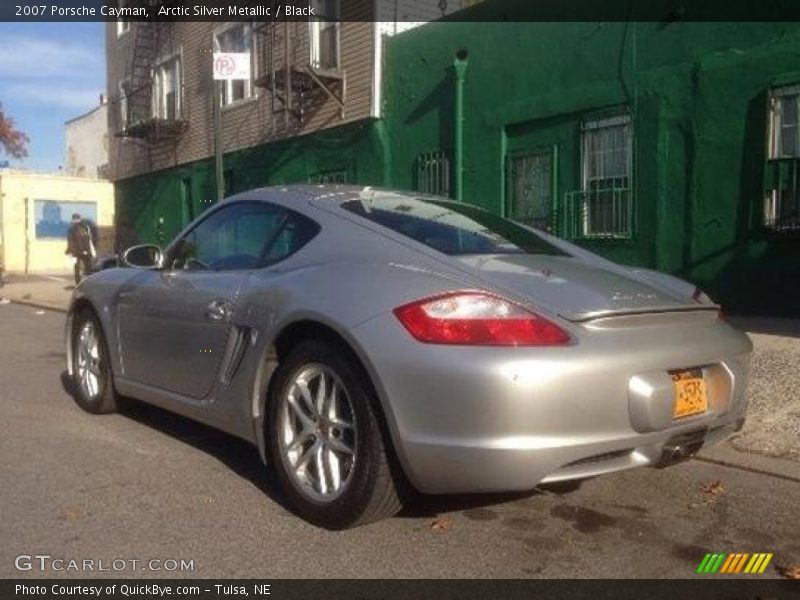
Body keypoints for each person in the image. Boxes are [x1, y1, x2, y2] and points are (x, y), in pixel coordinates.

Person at [65, 213, 97, 285]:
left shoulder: (72, 228)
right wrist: (87, 250)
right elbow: (89, 239)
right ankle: (89, 282)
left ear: (73, 219)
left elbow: (70, 241)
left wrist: (70, 250)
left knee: (77, 268)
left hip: (77, 252)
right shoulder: (85, 227)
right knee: (87, 267)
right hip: (85, 251)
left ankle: (78, 283)